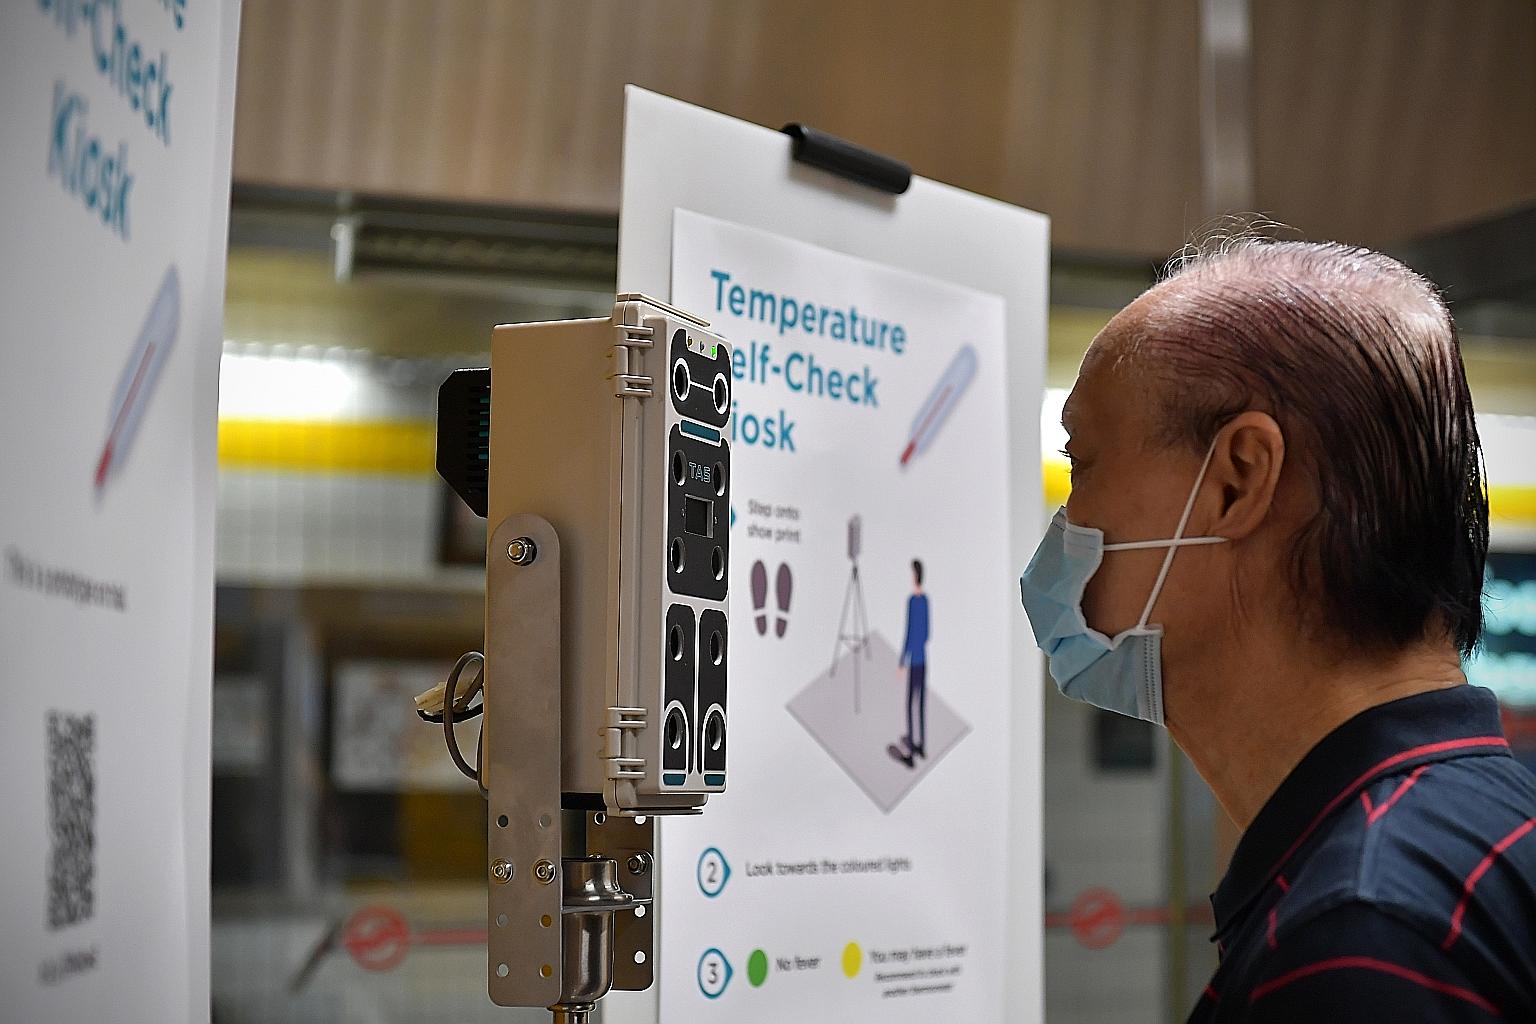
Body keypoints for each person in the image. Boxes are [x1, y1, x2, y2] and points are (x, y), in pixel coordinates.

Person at [1019, 237, 1536, 1021]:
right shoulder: (1485, 829)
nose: (1069, 519)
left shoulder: (1361, 937)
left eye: (1081, 460)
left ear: (1237, 481)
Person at [892, 559, 929, 768]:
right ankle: (920, 744)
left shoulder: (914, 602)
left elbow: (910, 633)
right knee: (920, 703)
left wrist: (902, 661)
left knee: (911, 704)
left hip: (916, 660)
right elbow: (925, 633)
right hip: (922, 659)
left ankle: (912, 754)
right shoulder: (923, 601)